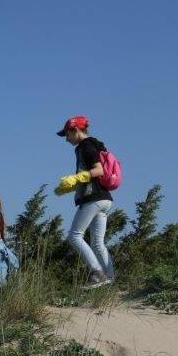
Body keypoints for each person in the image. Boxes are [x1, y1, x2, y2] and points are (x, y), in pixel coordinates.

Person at [54, 115, 115, 289]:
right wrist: (70, 186)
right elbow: (91, 176)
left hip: (93, 199)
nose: (66, 139)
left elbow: (98, 170)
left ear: (76, 130)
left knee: (74, 236)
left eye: (67, 134)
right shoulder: (94, 144)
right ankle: (110, 277)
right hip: (104, 199)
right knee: (97, 242)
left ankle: (97, 272)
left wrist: (76, 177)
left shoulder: (85, 146)